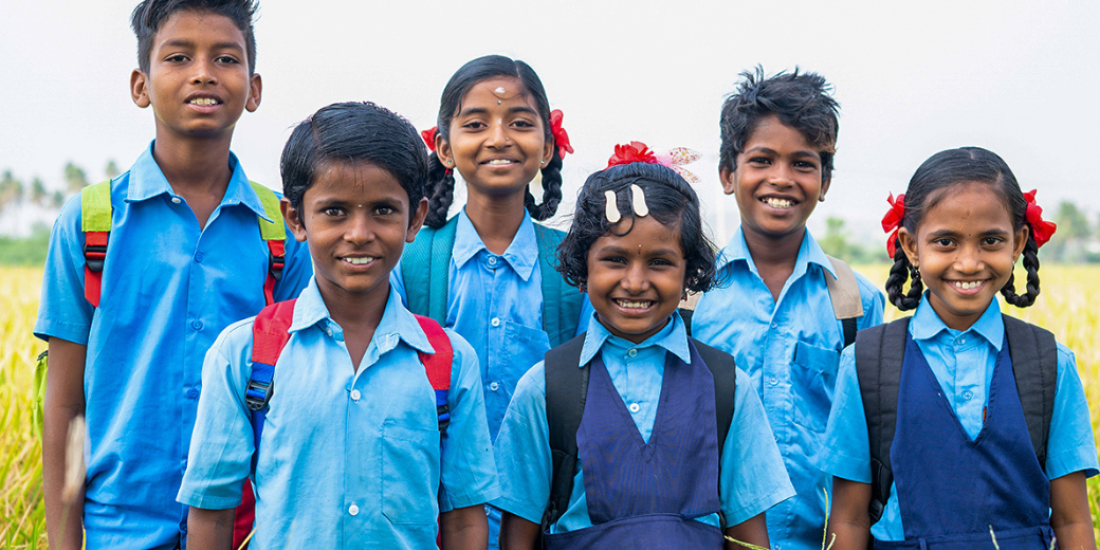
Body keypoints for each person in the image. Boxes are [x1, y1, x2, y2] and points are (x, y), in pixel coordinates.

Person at [33, 1, 311, 547]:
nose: (203, 72)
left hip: (249, 527)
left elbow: (303, 394)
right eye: (179, 56)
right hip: (121, 526)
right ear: (141, 85)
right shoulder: (93, 224)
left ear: (253, 89)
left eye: (225, 58)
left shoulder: (285, 230)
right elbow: (65, 405)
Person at [178, 101, 499, 549]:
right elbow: (211, 512)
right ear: (296, 219)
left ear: (417, 218)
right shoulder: (246, 354)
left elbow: (465, 519)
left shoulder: (448, 361)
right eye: (335, 211)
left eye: (384, 211)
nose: (359, 232)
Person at [493, 147, 795, 549]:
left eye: (659, 262)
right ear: (584, 266)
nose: (635, 282)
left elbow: (748, 537)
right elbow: (518, 537)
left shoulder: (727, 386)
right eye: (615, 259)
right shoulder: (546, 388)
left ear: (690, 270)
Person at [824, 147, 1098, 550]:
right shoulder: (866, 364)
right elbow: (848, 521)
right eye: (946, 242)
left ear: (1019, 241)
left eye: (990, 240)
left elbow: (1074, 522)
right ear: (911, 246)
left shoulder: (1049, 365)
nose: (969, 263)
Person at [392, 54, 591, 547]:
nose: (499, 138)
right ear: (443, 147)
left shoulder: (576, 269)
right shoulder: (409, 261)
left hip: (545, 520)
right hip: (431, 521)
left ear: (547, 147)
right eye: (476, 123)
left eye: (519, 123)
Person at [690, 67, 885, 550]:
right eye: (761, 160)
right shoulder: (687, 299)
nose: (781, 178)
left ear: (825, 181)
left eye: (802, 163)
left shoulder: (857, 303)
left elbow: (874, 446)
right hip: (705, 537)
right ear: (727, 174)